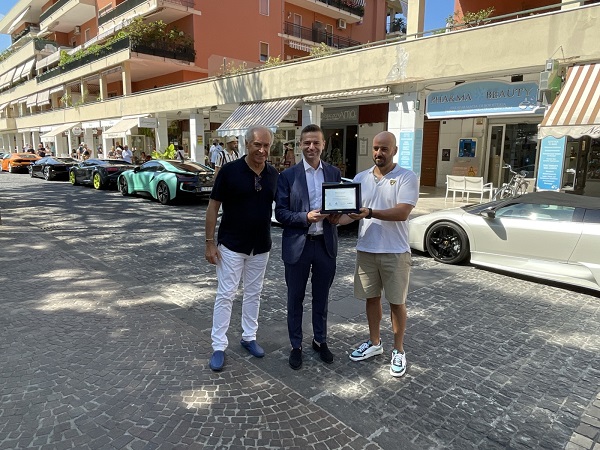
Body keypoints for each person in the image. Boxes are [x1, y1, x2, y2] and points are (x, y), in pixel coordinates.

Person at [334, 131, 418, 378]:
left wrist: (370, 212)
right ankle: (374, 342)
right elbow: (351, 213)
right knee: (371, 299)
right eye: (375, 148)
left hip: (395, 251)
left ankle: (398, 350)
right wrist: (334, 219)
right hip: (366, 249)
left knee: (397, 303)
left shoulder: (406, 177)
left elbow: (402, 212)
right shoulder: (360, 178)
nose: (379, 153)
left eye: (384, 148)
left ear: (394, 151)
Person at [204, 126, 279, 372]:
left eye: (266, 145)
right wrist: (209, 242)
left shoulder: (273, 174)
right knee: (226, 294)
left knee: (254, 293)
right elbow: (213, 207)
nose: (262, 150)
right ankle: (218, 345)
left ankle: (249, 337)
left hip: (261, 246)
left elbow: (283, 207)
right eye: (258, 144)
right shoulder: (229, 171)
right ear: (247, 144)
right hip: (231, 246)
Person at [275, 124, 341, 370]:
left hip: (325, 245)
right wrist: (305, 217)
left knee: (322, 298)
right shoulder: (288, 176)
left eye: (316, 142)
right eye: (307, 143)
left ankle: (320, 340)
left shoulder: (333, 173)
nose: (311, 147)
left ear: (323, 145)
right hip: (298, 247)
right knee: (295, 298)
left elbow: (339, 205)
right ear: (300, 145)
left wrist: (337, 215)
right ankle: (296, 345)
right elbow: (280, 213)